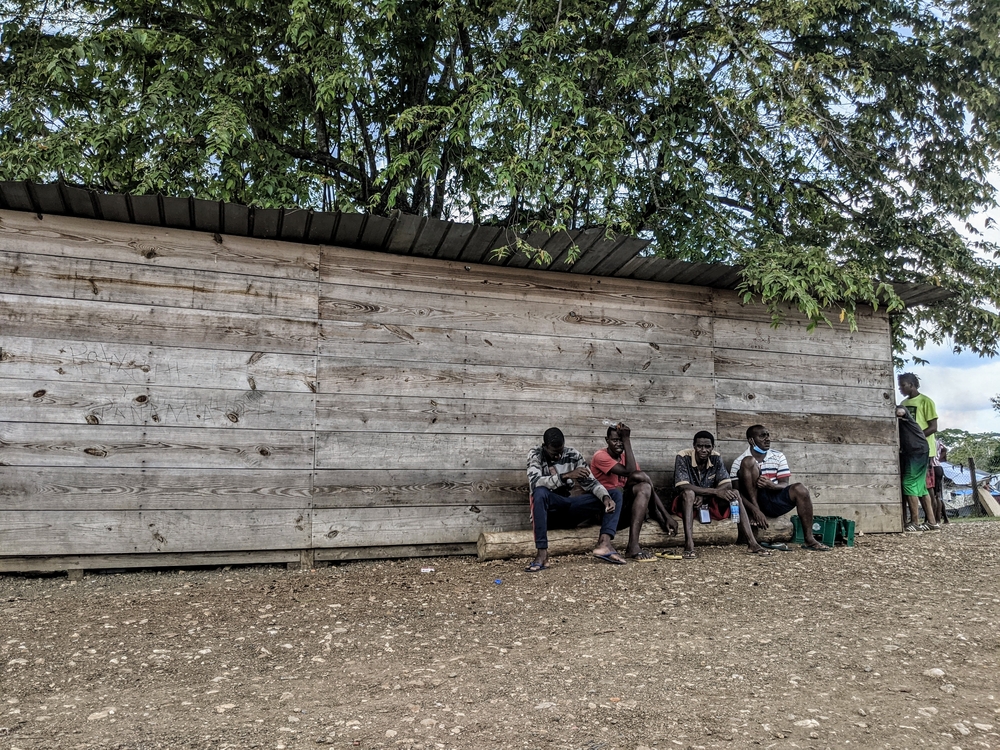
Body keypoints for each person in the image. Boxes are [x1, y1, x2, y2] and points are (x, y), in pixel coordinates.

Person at [526, 427, 625, 572]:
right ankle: (542, 554)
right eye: (554, 453)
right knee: (540, 492)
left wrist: (605, 498)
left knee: (614, 494)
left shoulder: (573, 455)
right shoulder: (536, 454)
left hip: (569, 508)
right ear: (545, 446)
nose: (558, 456)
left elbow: (592, 483)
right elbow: (535, 483)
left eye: (561, 451)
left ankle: (604, 544)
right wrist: (566, 475)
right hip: (549, 515)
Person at [731, 425, 832, 551]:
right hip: (753, 502)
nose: (767, 439)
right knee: (748, 461)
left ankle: (809, 539)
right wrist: (755, 510)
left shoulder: (778, 456)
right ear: (751, 440)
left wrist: (772, 485)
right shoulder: (739, 461)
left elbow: (784, 484)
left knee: (800, 489)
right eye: (762, 436)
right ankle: (756, 512)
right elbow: (737, 493)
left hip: (774, 498)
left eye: (768, 435)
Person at [671, 431, 771, 559]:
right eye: (699, 446)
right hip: (686, 504)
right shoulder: (683, 456)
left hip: (707, 501)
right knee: (689, 493)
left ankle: (752, 543)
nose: (703, 450)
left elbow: (727, 484)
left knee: (735, 493)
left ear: (712, 447)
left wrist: (704, 496)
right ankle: (689, 544)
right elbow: (682, 486)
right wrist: (714, 491)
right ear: (694, 446)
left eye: (707, 447)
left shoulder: (715, 457)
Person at [591, 422, 678, 561]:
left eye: (621, 440)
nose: (619, 444)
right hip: (607, 512)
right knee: (638, 476)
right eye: (615, 440)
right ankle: (655, 512)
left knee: (645, 486)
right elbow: (631, 472)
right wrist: (627, 439)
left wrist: (667, 516)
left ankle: (633, 546)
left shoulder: (626, 459)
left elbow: (641, 478)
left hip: (624, 511)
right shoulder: (600, 456)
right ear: (607, 440)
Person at [898, 372, 939, 526]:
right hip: (909, 448)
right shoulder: (903, 403)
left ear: (912, 385)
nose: (900, 388)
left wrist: (917, 436)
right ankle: (931, 522)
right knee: (920, 486)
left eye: (903, 385)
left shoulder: (926, 401)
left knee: (913, 484)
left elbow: (933, 427)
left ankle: (917, 521)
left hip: (921, 448)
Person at [933, 441, 949, 524]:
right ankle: (943, 518)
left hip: (933, 467)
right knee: (938, 495)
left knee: (934, 496)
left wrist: (936, 458)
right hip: (938, 466)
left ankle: (937, 519)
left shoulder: (929, 440)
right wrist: (938, 458)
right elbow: (945, 449)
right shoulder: (937, 441)